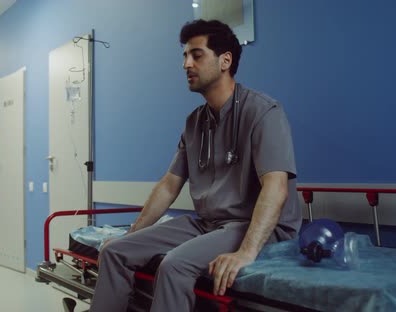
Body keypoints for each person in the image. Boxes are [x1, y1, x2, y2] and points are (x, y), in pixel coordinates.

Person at [89, 19, 301, 312]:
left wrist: (246, 253)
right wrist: (131, 234)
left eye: (197, 55)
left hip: (253, 226)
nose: (186, 64)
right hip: (208, 225)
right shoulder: (195, 122)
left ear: (225, 60)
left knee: (174, 265)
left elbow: (276, 188)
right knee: (115, 251)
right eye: (185, 56)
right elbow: (169, 185)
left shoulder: (264, 112)